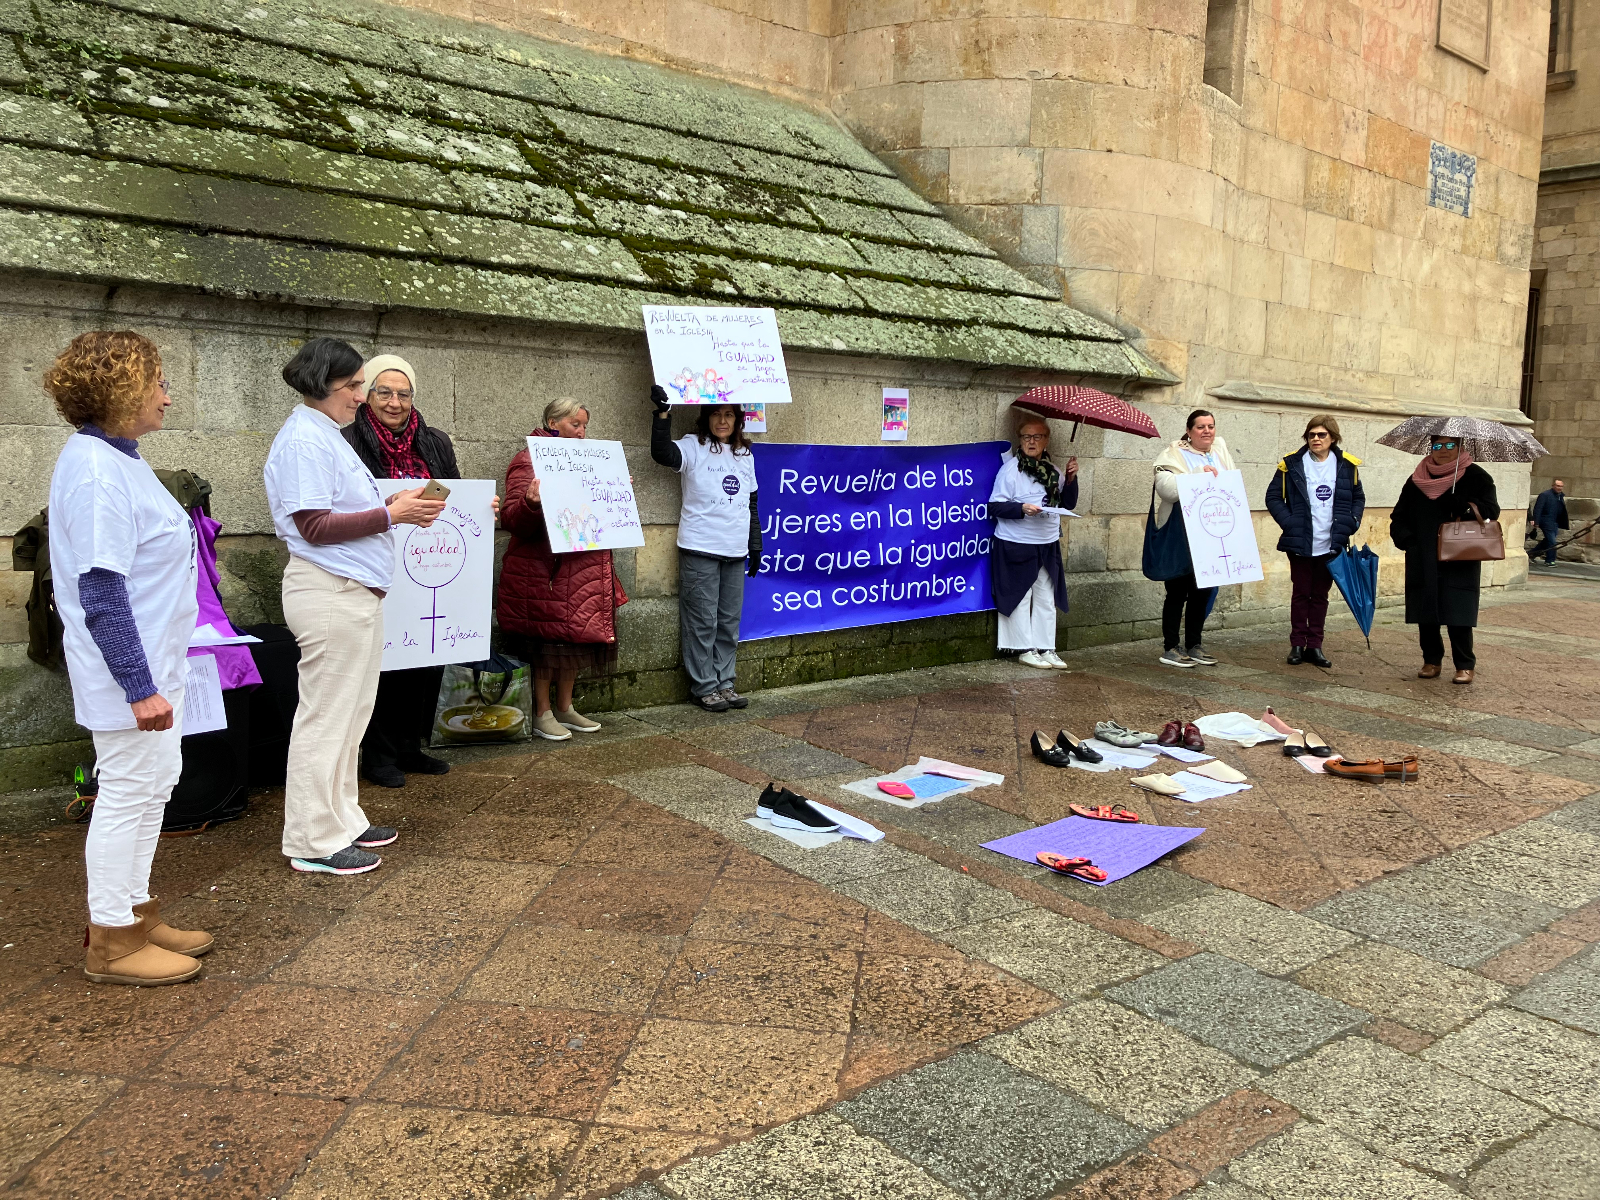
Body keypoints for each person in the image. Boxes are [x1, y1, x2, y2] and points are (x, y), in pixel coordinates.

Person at [44, 331, 213, 985]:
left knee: (153, 789)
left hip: (153, 665)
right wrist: (139, 686)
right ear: (122, 392)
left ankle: (136, 914)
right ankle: (112, 940)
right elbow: (101, 591)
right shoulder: (94, 471)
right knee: (127, 793)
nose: (168, 396)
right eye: (158, 383)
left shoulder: (121, 457)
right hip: (126, 676)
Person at [264, 338, 444, 875]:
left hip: (350, 591)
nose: (361, 396)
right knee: (326, 717)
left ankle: (342, 816)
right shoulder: (304, 441)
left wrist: (392, 506)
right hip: (329, 591)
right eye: (354, 385)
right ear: (323, 385)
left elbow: (339, 512)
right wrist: (393, 516)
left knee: (351, 714)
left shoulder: (325, 436)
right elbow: (314, 526)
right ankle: (311, 838)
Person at [342, 354, 484, 787]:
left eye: (403, 394)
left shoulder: (435, 440)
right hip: (379, 559)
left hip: (431, 559)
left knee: (427, 655)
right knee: (385, 660)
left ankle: (411, 746)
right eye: (384, 392)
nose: (394, 402)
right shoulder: (348, 439)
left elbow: (454, 491)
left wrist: (481, 505)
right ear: (368, 395)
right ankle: (379, 754)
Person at [498, 397, 626, 741]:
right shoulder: (529, 459)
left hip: (578, 569)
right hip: (545, 571)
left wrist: (616, 489)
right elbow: (512, 519)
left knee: (572, 644)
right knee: (547, 647)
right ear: (554, 423)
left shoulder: (589, 461)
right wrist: (530, 502)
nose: (582, 432)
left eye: (584, 425)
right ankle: (541, 712)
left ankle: (565, 707)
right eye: (575, 425)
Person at [649, 387, 761, 711]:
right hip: (700, 547)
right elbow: (662, 454)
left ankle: (725, 681)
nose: (722, 420)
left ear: (738, 419)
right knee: (702, 622)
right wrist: (662, 414)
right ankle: (704, 686)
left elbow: (751, 503)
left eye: (728, 414)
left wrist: (755, 545)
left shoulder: (745, 454)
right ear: (706, 418)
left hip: (735, 550)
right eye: (716, 414)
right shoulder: (693, 446)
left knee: (728, 622)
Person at [1389, 436, 1500, 685]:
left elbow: (1492, 510)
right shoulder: (1417, 478)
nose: (1443, 451)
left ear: (1461, 448)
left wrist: (1464, 507)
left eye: (1450, 445)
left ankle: (1464, 664)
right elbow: (1399, 515)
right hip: (1424, 553)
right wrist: (1408, 541)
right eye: (1437, 446)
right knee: (1426, 610)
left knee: (1458, 611)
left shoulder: (1476, 476)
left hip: (1460, 554)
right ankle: (1431, 660)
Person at [1265, 415, 1365, 668]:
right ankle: (1297, 644)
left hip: (1331, 542)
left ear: (1333, 438)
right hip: (1300, 542)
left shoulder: (1346, 466)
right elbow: (1273, 497)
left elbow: (1358, 498)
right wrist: (1290, 523)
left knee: (1320, 596)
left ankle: (1315, 646)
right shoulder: (1291, 464)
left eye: (1321, 435)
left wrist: (1352, 521)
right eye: (1312, 435)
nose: (1316, 439)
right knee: (1301, 594)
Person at [989, 415, 1078, 669]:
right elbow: (994, 506)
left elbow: (1067, 504)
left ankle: (1046, 647)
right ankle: (1023, 647)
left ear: (1046, 440)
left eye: (1037, 437)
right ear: (1020, 440)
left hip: (1047, 543)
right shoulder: (1010, 470)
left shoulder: (1054, 472)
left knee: (1046, 596)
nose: (1031, 441)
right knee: (1020, 594)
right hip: (1017, 543)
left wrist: (1071, 480)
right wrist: (1021, 508)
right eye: (1026, 437)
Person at [1151, 410, 1236, 668]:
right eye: (1200, 427)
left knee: (1203, 591)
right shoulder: (1174, 453)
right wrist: (1198, 473)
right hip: (1181, 534)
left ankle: (1194, 644)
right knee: (1177, 591)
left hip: (1211, 533)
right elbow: (1165, 488)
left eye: (1211, 426)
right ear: (1189, 431)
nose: (1207, 431)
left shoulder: (1220, 452)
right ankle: (1171, 647)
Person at [1529, 479, 1568, 565]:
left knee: (1547, 540)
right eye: (1558, 486)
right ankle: (1550, 560)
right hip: (1546, 521)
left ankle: (1531, 554)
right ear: (1553, 485)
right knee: (1552, 542)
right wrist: (1536, 521)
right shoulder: (1545, 495)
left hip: (1555, 522)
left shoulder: (1560, 496)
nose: (1560, 488)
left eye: (1561, 486)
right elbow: (1538, 508)